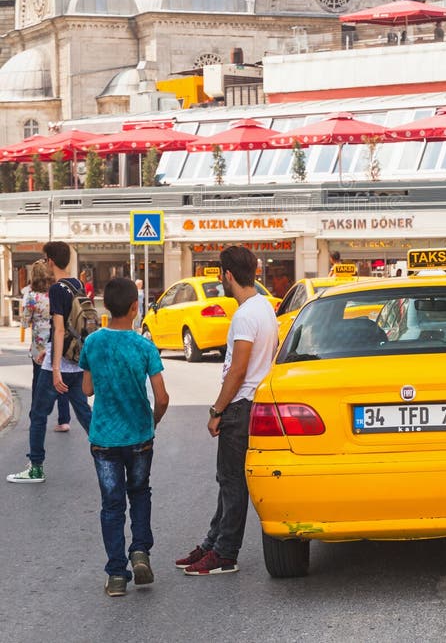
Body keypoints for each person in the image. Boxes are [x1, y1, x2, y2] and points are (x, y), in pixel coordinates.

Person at [175, 245, 279, 576]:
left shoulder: (247, 314)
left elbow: (238, 368)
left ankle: (225, 553)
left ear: (228, 275)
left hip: (240, 405)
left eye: (221, 274)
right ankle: (212, 543)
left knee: (232, 483)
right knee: (227, 480)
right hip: (251, 402)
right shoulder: (263, 307)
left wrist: (217, 409)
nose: (220, 280)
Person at [80, 277, 169, 597]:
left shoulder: (93, 343)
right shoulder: (144, 346)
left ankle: (117, 574)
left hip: (104, 439)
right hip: (140, 438)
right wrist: (152, 423)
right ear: (136, 307)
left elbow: (87, 389)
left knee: (112, 505)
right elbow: (161, 398)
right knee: (140, 493)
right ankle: (141, 551)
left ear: (106, 308)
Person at [7, 241, 92, 483]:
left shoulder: (56, 289)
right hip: (76, 362)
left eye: (45, 259)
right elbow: (74, 327)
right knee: (85, 413)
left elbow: (57, 329)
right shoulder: (77, 284)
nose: (45, 263)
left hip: (59, 366)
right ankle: (107, 456)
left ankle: (35, 467)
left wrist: (55, 369)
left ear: (51, 261)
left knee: (38, 414)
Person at [21, 259, 71, 432]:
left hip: (38, 347)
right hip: (57, 342)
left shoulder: (32, 297)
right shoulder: (56, 293)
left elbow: (25, 322)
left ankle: (36, 418)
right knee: (60, 381)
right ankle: (64, 420)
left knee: (38, 382)